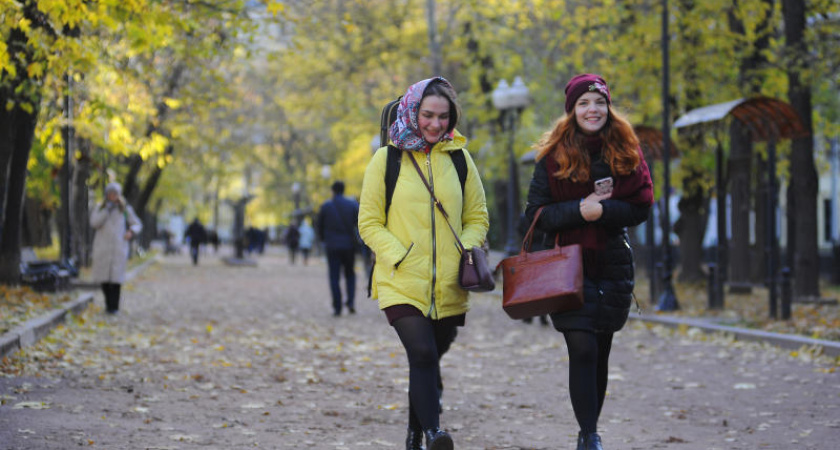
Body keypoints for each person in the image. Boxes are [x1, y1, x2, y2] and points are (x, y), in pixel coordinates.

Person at [359, 77, 489, 450]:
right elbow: (369, 222)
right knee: (422, 352)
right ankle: (434, 433)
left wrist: (464, 247)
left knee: (431, 358)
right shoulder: (387, 160)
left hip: (450, 280)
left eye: (443, 117)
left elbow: (477, 216)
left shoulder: (461, 160)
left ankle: (415, 433)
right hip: (401, 279)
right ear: (412, 112)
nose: (435, 124)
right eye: (428, 115)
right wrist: (399, 255)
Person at [524, 74, 653, 450]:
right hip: (566, 268)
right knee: (581, 347)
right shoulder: (552, 158)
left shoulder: (626, 151)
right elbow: (533, 215)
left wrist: (605, 211)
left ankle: (589, 427)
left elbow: (642, 204)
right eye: (584, 103)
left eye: (598, 102)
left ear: (607, 107)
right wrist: (580, 210)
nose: (592, 110)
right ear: (572, 110)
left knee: (600, 350)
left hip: (610, 266)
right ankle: (589, 435)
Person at [90, 182, 143, 315]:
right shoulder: (100, 208)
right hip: (103, 247)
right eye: (110, 193)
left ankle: (114, 307)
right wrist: (106, 211)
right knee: (104, 278)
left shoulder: (124, 209)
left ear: (119, 195)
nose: (112, 196)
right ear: (107, 195)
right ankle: (108, 305)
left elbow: (137, 224)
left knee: (116, 279)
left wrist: (131, 231)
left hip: (118, 247)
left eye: (115, 194)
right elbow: (94, 223)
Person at [317, 180, 359, 316]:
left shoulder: (326, 206)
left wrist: (324, 240)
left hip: (332, 246)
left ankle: (337, 306)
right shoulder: (352, 205)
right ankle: (351, 302)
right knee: (350, 274)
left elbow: (319, 227)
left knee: (334, 276)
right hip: (349, 246)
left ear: (333, 190)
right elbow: (359, 224)